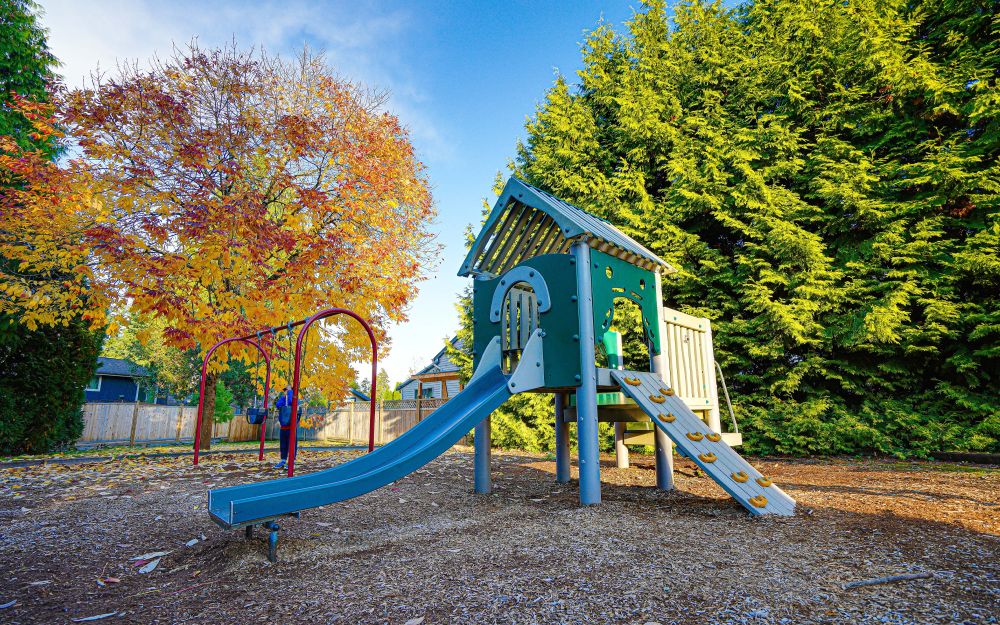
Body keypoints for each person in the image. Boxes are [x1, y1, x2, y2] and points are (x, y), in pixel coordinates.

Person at [274, 386, 299, 469]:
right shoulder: (283, 399)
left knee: (292, 444)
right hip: (283, 427)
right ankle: (283, 460)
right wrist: (284, 396)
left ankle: (291, 461)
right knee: (283, 445)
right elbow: (278, 405)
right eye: (285, 390)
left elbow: (292, 402)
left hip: (291, 427)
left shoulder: (294, 399)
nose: (286, 391)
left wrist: (290, 392)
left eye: (287, 390)